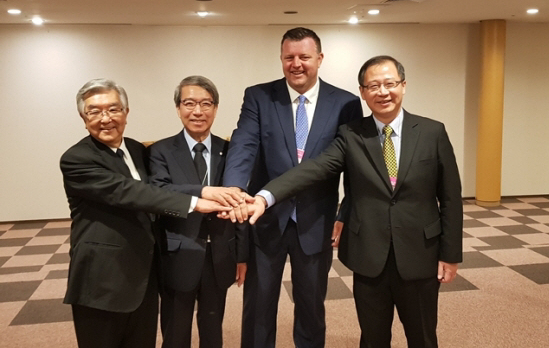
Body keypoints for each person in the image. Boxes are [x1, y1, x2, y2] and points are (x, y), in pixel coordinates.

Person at [248, 55, 463, 348]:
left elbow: (450, 198)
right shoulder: (351, 135)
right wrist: (266, 196)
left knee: (423, 337)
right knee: (372, 338)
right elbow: (314, 168)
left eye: (389, 84)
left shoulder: (431, 132)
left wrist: (450, 253)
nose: (383, 92)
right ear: (362, 92)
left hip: (420, 254)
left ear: (403, 85)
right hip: (369, 256)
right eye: (373, 86)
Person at [60, 78, 232, 348]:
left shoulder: (137, 150)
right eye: (94, 111)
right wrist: (198, 199)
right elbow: (133, 192)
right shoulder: (77, 159)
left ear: (126, 113)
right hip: (103, 279)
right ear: (83, 117)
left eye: (114, 109)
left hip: (143, 276)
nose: (105, 118)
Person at [223, 27, 363, 348]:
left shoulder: (345, 103)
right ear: (281, 59)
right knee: (258, 307)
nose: (296, 64)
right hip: (267, 219)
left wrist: (346, 211)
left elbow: (353, 165)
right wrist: (232, 188)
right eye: (289, 57)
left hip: (316, 220)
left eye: (304, 57)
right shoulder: (259, 96)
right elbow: (244, 145)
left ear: (320, 59)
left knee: (312, 307)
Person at [149, 76, 249, 348]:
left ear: (216, 108)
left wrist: (242, 255)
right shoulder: (160, 151)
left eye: (206, 104)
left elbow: (238, 203)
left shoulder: (230, 151)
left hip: (220, 255)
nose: (198, 111)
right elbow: (159, 192)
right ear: (178, 108)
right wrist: (203, 192)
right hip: (178, 254)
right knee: (175, 332)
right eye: (189, 103)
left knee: (213, 329)